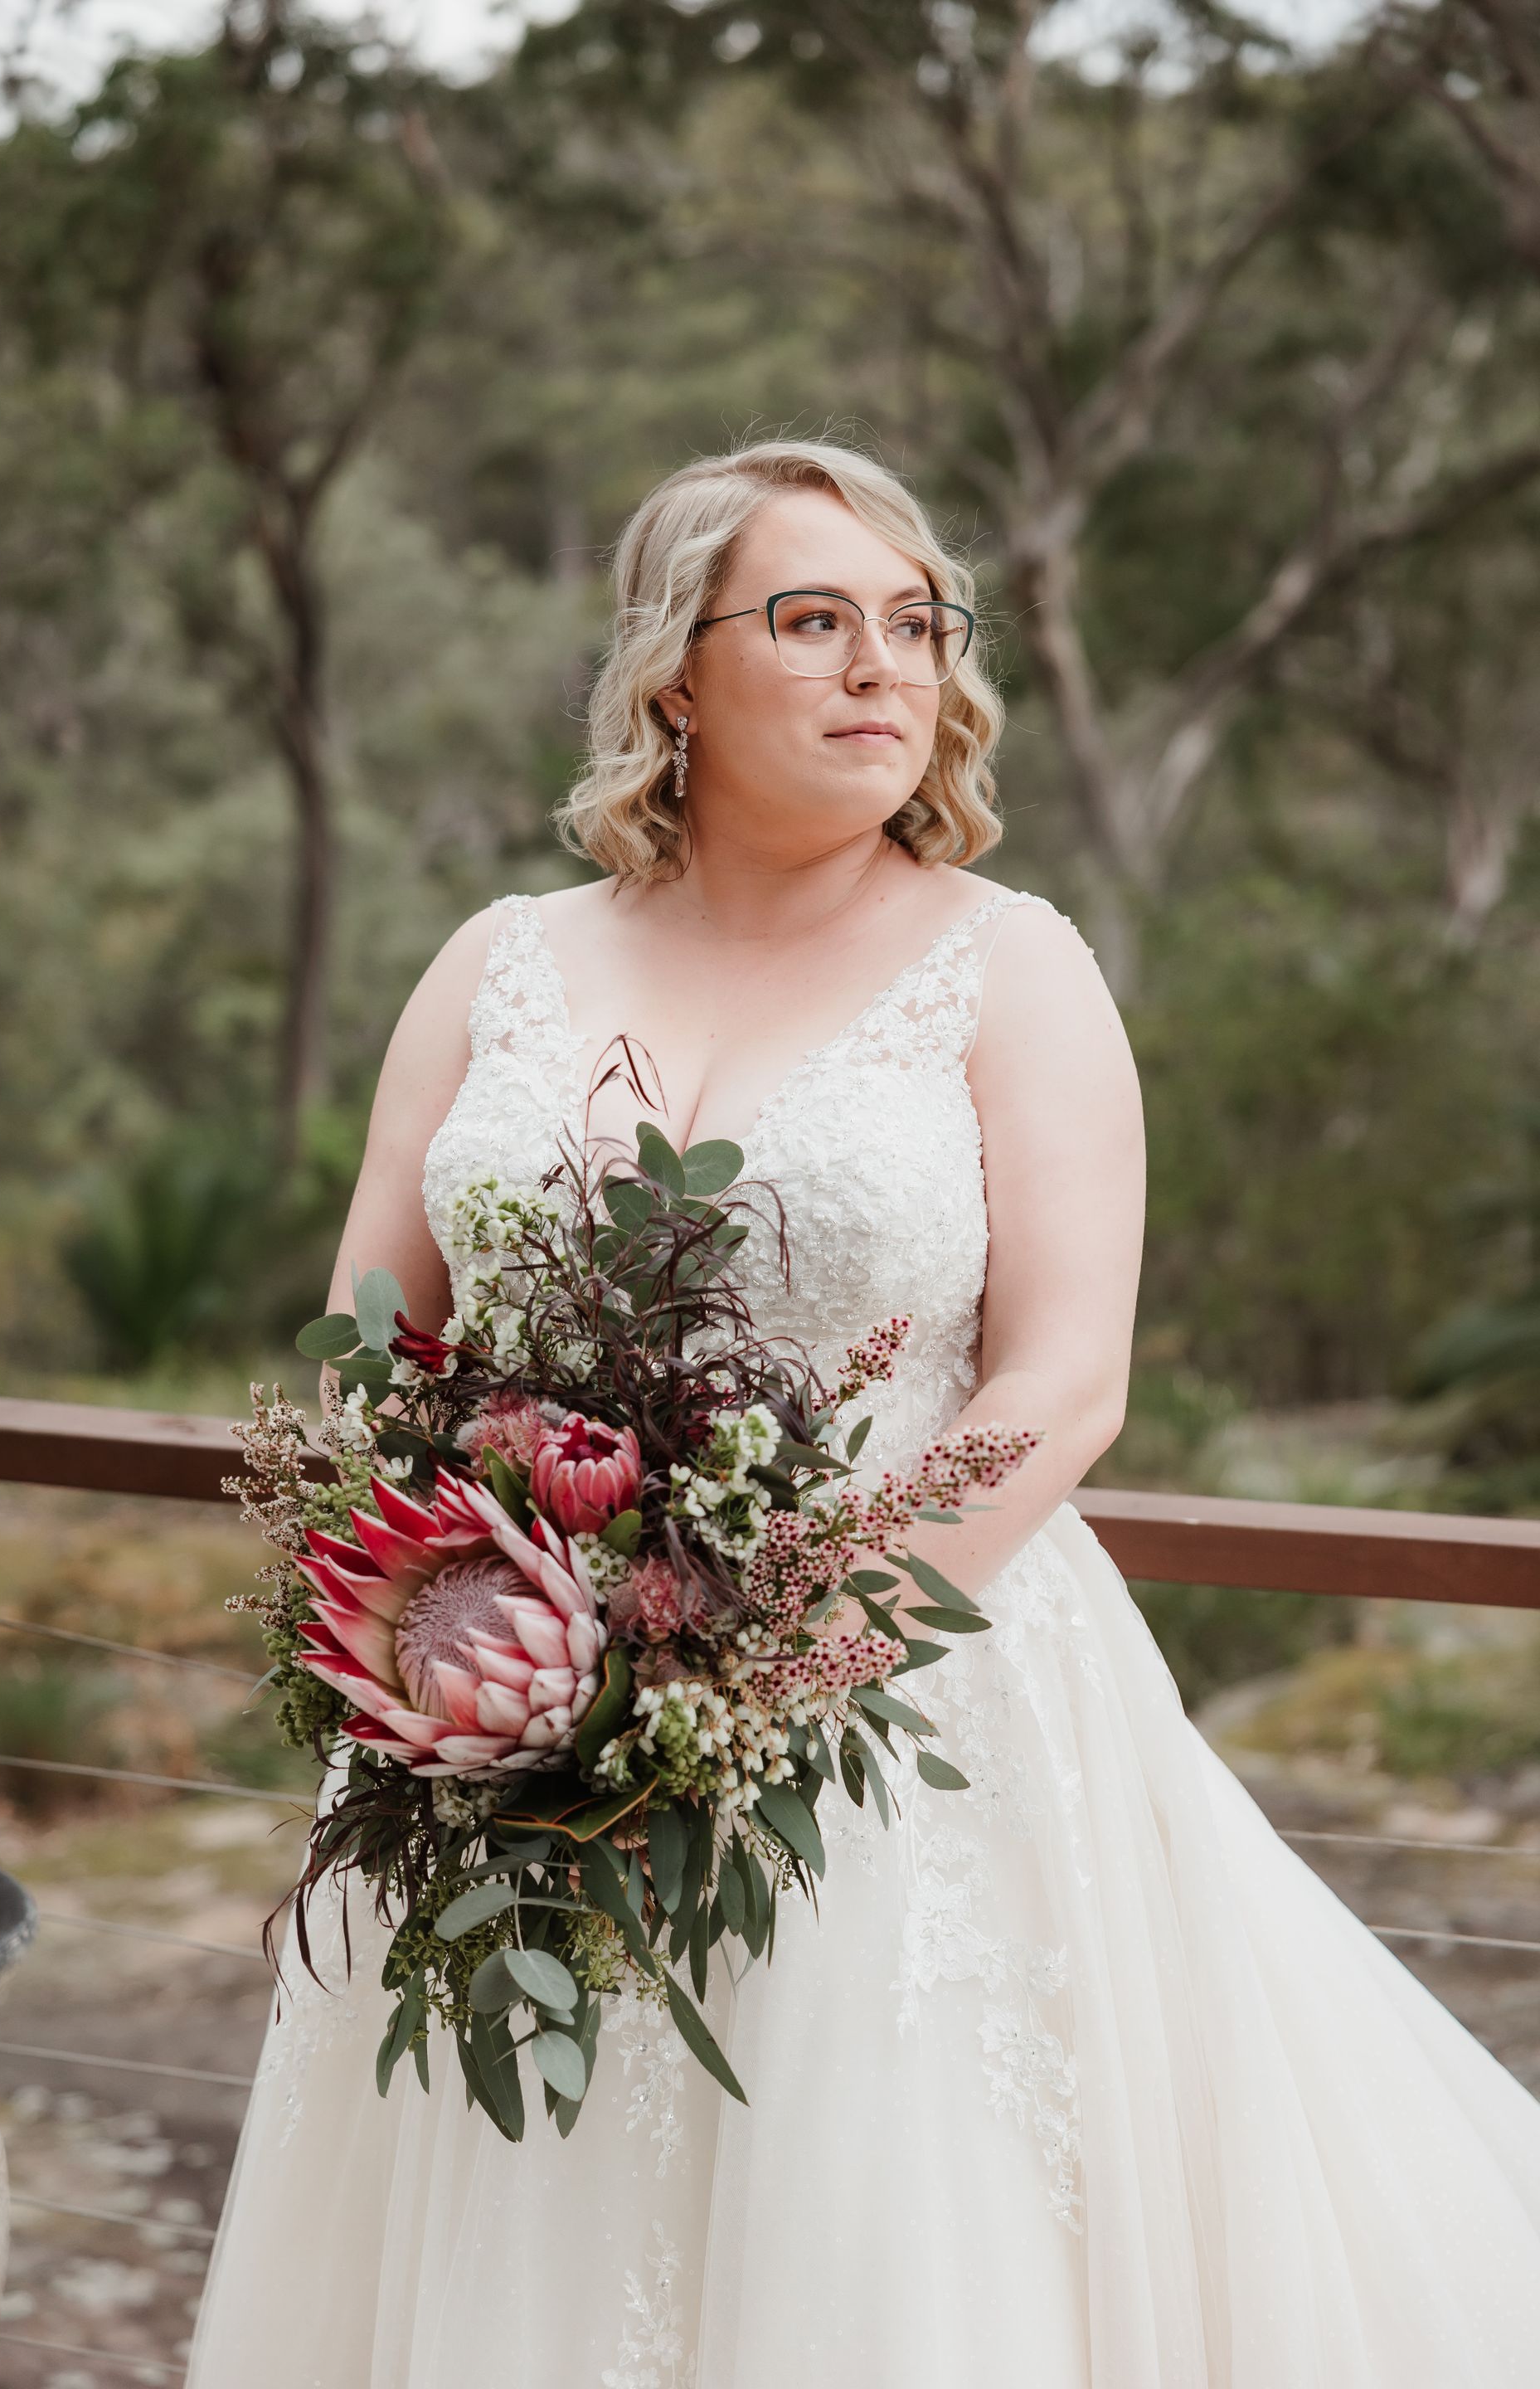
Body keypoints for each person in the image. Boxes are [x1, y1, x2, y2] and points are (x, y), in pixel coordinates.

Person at [187, 438, 1540, 2388]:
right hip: (503, 1725)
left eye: (914, 626)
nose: (881, 670)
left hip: (909, 1718)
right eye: (813, 622)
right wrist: (443, 1631)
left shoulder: (1012, 969)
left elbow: (1064, 1382)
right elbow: (370, 1341)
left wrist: (778, 1659)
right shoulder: (497, 967)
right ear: (677, 671)